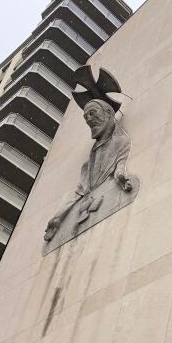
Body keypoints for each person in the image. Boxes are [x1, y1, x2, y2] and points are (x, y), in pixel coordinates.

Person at [44, 99, 132, 241]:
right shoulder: (87, 166)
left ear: (109, 113)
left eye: (92, 113)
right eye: (85, 117)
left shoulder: (121, 142)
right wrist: (58, 217)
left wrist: (121, 176)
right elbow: (79, 193)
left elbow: (120, 166)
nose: (89, 119)